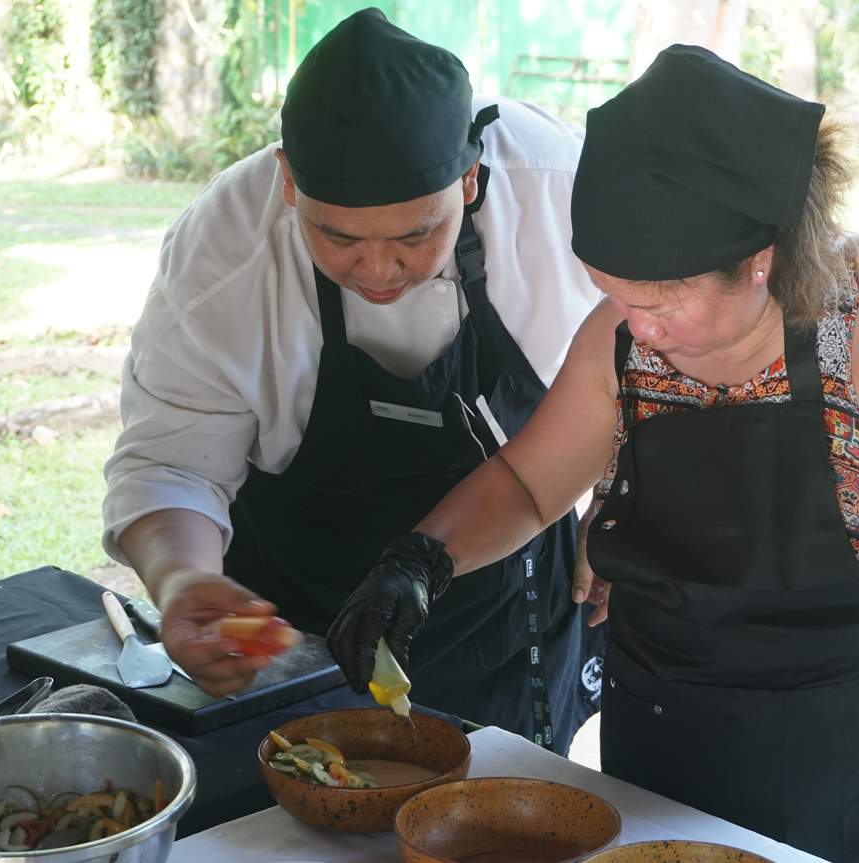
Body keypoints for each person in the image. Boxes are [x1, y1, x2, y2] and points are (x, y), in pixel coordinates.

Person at [326, 46, 859, 863]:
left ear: (758, 260)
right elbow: (529, 483)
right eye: (614, 294)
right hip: (665, 753)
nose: (637, 327)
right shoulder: (624, 338)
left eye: (660, 301)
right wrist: (421, 558)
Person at [102, 8, 605, 754]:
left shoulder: (559, 189)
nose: (377, 272)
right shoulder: (224, 249)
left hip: (509, 593)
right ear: (287, 180)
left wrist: (631, 489)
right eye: (336, 237)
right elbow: (170, 459)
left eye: (414, 235)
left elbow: (652, 345)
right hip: (291, 620)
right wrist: (180, 578)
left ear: (469, 180)